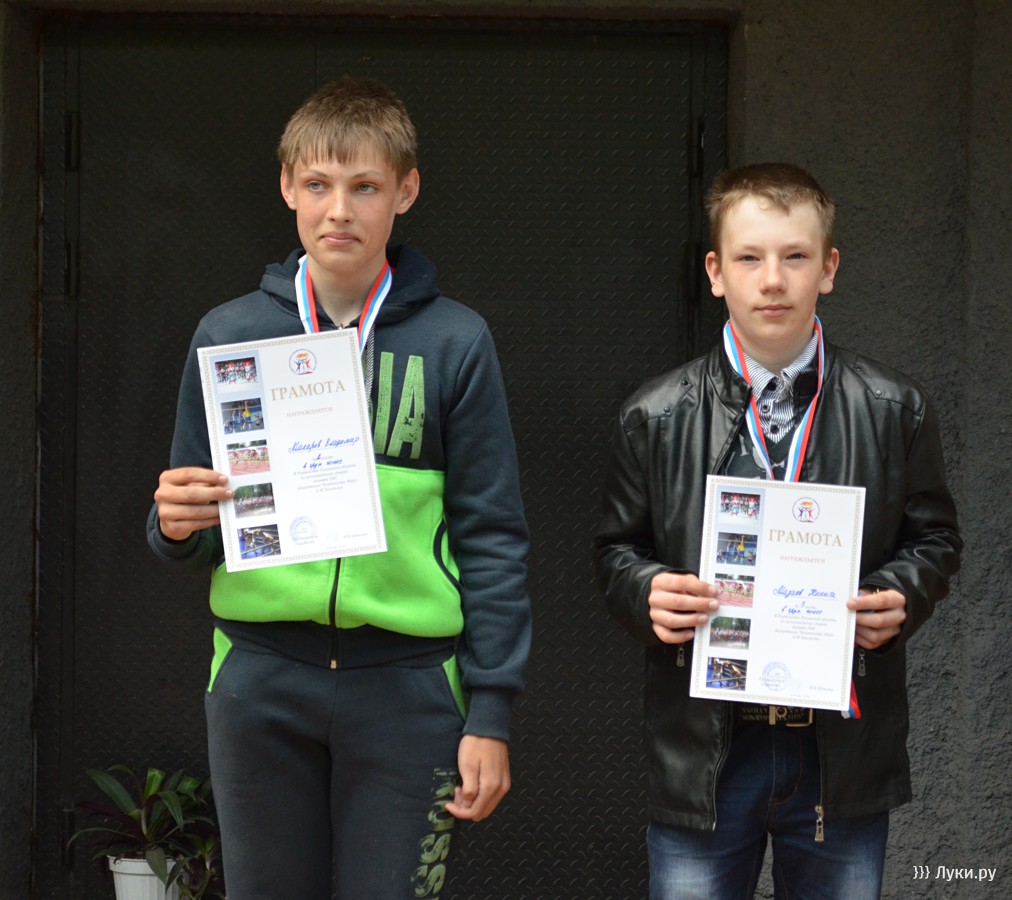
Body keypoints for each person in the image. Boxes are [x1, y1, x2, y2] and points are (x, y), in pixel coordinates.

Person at [147, 77, 531, 899]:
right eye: (318, 184)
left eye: (365, 187)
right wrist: (174, 524)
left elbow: (492, 536)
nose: (339, 211)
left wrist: (490, 712)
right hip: (259, 679)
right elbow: (194, 522)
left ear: (406, 191)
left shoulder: (455, 341)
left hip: (409, 687)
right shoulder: (231, 334)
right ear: (288, 186)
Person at [593, 163, 961, 899]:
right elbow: (615, 551)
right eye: (749, 257)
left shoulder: (895, 409)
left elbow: (936, 541)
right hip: (705, 749)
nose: (772, 280)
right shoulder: (654, 415)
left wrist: (900, 595)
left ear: (828, 268)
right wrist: (647, 591)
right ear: (715, 272)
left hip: (840, 752)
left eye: (795, 256)